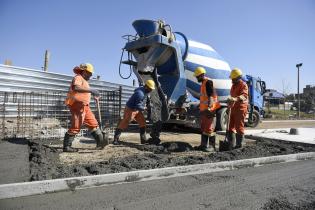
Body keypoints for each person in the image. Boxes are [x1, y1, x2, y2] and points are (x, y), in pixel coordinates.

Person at [63, 63, 105, 152]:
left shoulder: (85, 81)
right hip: (77, 105)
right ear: (84, 71)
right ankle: (67, 146)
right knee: (76, 126)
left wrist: (94, 96)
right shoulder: (78, 77)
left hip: (85, 106)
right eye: (89, 73)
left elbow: (85, 93)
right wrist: (92, 90)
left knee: (93, 123)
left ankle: (100, 144)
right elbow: (76, 87)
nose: (91, 75)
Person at [113, 80, 155, 145]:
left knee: (142, 122)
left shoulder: (144, 90)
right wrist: (145, 108)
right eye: (150, 89)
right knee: (125, 123)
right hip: (130, 109)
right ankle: (115, 139)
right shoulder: (140, 93)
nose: (151, 90)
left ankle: (143, 140)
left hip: (136, 109)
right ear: (146, 87)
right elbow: (138, 106)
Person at [194, 67, 221, 152]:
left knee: (209, 128)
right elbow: (204, 97)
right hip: (204, 110)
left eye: (197, 76)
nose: (196, 78)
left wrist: (210, 107)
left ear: (202, 75)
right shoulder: (203, 83)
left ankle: (212, 146)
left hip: (209, 109)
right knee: (204, 128)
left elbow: (211, 96)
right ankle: (203, 145)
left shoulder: (208, 82)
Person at [227, 68, 249, 149]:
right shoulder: (233, 85)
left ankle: (240, 145)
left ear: (238, 77)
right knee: (230, 127)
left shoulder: (243, 85)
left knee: (239, 127)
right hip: (233, 108)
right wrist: (228, 106)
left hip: (240, 108)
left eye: (233, 78)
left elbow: (244, 95)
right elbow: (232, 98)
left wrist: (235, 99)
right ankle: (231, 144)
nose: (232, 79)